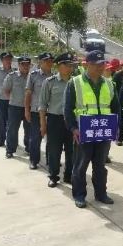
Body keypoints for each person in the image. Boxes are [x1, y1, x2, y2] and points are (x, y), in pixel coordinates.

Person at [64, 50, 118, 208]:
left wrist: (115, 127)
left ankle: (101, 194)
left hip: (103, 131)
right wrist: (73, 128)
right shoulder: (75, 83)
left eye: (102, 64)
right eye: (96, 64)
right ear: (87, 64)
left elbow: (116, 108)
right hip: (84, 132)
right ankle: (79, 195)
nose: (100, 67)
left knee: (100, 166)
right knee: (81, 166)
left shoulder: (109, 84)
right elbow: (67, 109)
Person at [39, 53, 75, 188]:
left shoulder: (76, 83)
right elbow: (42, 105)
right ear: (59, 66)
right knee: (54, 150)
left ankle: (69, 175)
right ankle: (53, 176)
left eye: (71, 65)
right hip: (55, 120)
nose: (70, 67)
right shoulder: (49, 82)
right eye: (67, 65)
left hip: (71, 121)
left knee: (72, 150)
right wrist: (43, 124)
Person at [25, 52, 54, 170]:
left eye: (51, 61)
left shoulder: (55, 76)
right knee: (36, 138)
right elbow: (28, 93)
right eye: (46, 61)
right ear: (40, 62)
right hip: (36, 111)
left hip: (51, 112)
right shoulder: (33, 75)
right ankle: (34, 160)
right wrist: (27, 110)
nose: (49, 63)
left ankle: (50, 160)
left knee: (51, 138)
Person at [3, 56, 32, 159]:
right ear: (18, 65)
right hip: (15, 107)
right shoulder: (12, 76)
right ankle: (10, 150)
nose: (25, 66)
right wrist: (13, 100)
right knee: (12, 130)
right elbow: (6, 90)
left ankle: (29, 148)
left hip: (29, 107)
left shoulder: (32, 76)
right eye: (23, 64)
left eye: (27, 64)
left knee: (29, 130)